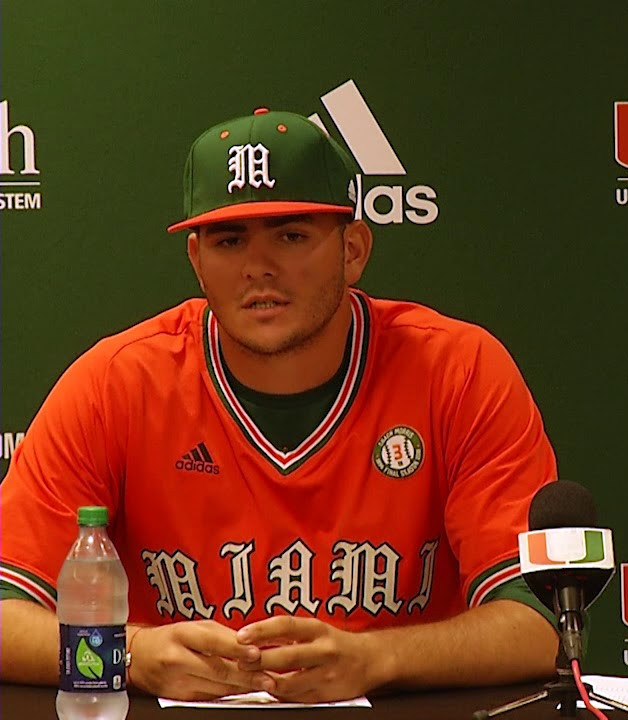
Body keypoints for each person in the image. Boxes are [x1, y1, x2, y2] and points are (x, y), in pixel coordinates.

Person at [0, 108, 560, 701]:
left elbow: (541, 626)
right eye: (229, 240)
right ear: (196, 259)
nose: (257, 267)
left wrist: (378, 659)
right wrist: (128, 655)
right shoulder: (117, 384)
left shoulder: (458, 370)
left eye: (291, 235)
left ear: (354, 249)